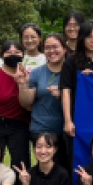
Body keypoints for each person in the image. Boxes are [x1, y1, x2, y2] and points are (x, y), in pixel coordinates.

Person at [0, 40, 33, 178]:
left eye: (17, 52)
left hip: (20, 124)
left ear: (23, 54)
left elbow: (29, 103)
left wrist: (22, 83)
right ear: (2, 55)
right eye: (9, 52)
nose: (13, 55)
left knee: (21, 163)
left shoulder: (28, 75)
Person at [60, 21, 93, 161]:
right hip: (77, 118)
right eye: (89, 37)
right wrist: (68, 121)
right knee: (76, 158)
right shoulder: (71, 61)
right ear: (82, 38)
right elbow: (65, 91)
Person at [25, 33, 70, 174]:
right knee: (45, 170)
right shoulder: (37, 73)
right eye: (47, 48)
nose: (51, 51)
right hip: (41, 128)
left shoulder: (73, 72)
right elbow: (26, 102)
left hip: (65, 130)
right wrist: (22, 85)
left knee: (64, 170)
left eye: (55, 47)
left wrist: (62, 94)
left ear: (64, 49)